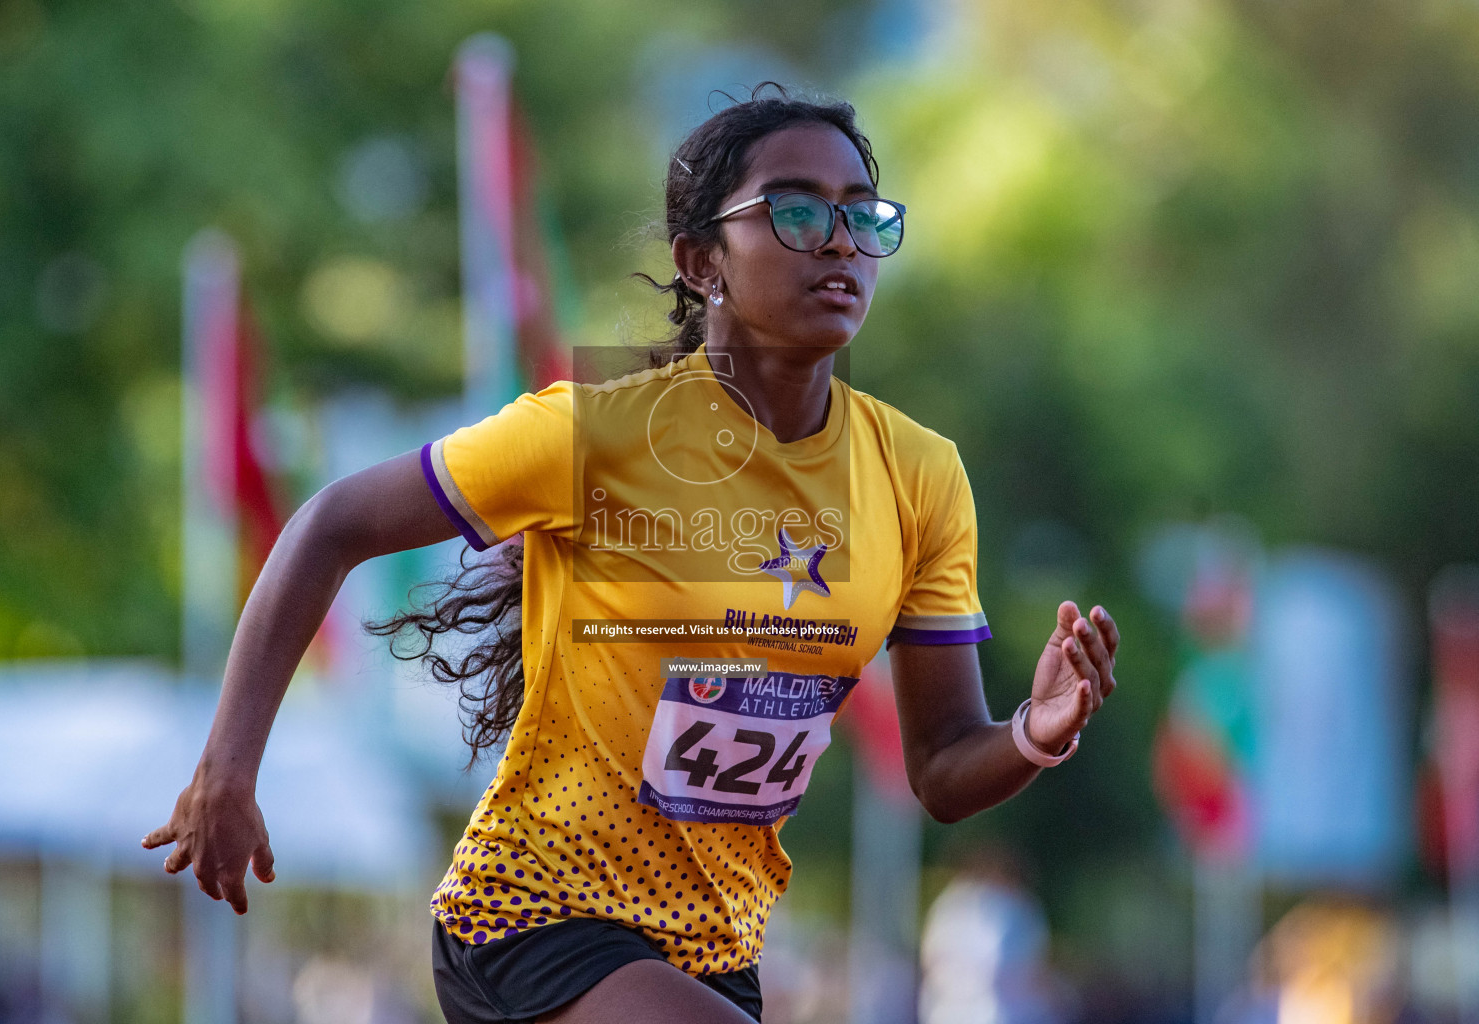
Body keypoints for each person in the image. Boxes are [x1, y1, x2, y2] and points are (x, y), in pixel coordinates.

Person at [142, 85, 1121, 1024]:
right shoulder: (596, 436)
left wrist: (1037, 727)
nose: (838, 239)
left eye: (865, 216)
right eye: (794, 210)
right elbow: (329, 524)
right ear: (703, 262)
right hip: (528, 916)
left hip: (712, 956)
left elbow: (945, 768)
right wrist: (228, 769)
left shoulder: (920, 474)